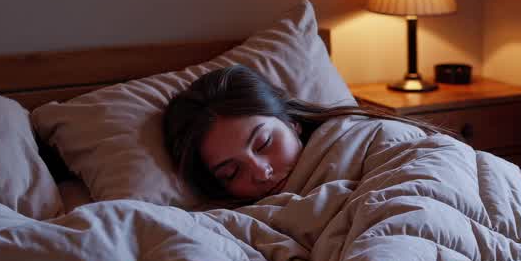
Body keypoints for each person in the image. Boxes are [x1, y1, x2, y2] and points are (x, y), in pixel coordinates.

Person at [163, 65, 452, 203]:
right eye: (231, 173)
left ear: (291, 122)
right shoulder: (242, 223)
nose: (261, 173)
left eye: (263, 143)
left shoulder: (372, 139)